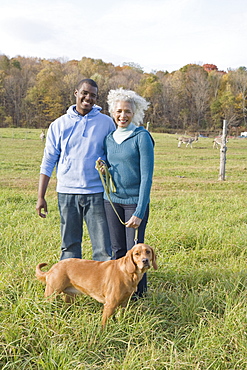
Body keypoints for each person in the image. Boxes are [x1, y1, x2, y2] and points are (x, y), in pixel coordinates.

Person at [36, 78, 115, 261]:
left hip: (96, 192)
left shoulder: (106, 123)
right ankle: (68, 285)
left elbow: (113, 155)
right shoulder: (59, 125)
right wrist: (41, 196)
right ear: (76, 93)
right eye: (85, 93)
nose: (88, 98)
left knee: (103, 247)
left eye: (93, 95)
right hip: (67, 193)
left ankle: (102, 287)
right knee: (69, 245)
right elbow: (48, 161)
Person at [101, 87, 154, 298]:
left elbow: (146, 177)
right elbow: (113, 171)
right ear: (113, 112)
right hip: (112, 202)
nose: (123, 116)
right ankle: (119, 292)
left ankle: (139, 294)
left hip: (134, 204)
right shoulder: (109, 138)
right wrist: (104, 169)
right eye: (119, 111)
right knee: (118, 251)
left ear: (135, 113)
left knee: (137, 253)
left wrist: (140, 211)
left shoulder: (142, 137)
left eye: (128, 112)